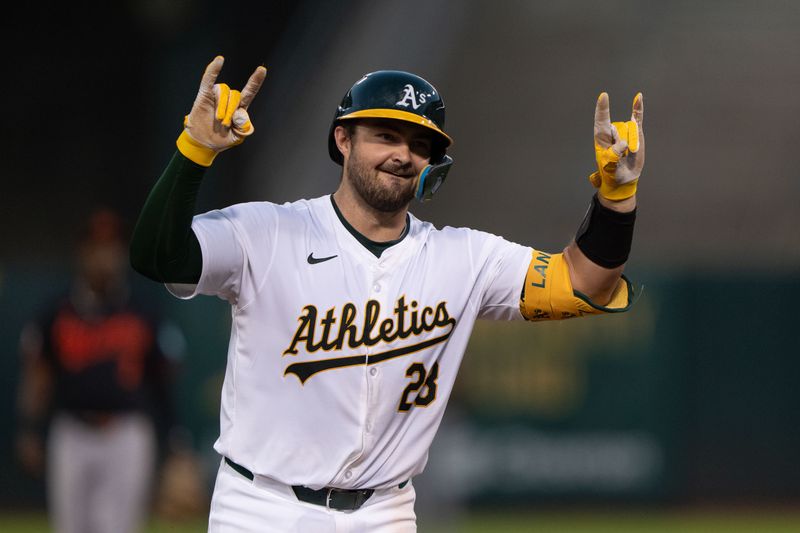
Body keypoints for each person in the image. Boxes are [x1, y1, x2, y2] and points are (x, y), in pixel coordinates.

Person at [129, 56, 644, 532]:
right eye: (385, 135)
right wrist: (194, 151)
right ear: (343, 140)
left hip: (384, 512)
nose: (403, 155)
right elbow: (156, 257)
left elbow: (584, 283)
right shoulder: (267, 231)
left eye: (420, 145)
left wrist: (616, 200)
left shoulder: (464, 257)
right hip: (261, 506)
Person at [15, 208, 181, 533]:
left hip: (127, 432)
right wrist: (29, 428)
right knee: (69, 527)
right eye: (98, 246)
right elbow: (39, 372)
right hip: (72, 430)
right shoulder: (57, 309)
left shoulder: (143, 308)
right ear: (84, 252)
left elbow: (163, 377)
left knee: (119, 528)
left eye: (113, 246)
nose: (106, 256)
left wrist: (174, 441)